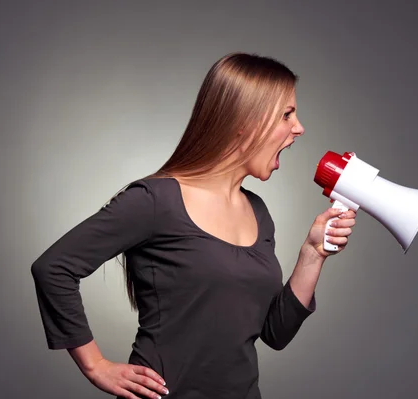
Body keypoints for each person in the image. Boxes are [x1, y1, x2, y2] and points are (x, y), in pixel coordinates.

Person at [31, 52, 357, 399]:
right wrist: (96, 366)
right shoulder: (156, 200)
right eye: (287, 114)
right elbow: (54, 268)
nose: (299, 128)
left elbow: (275, 333)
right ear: (243, 120)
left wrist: (312, 254)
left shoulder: (258, 212)